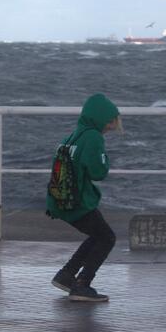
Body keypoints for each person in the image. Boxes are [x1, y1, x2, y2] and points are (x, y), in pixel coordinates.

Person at [47, 93, 121, 302]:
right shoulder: (93, 137)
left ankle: (66, 275)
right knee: (107, 238)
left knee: (97, 235)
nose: (112, 127)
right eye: (110, 121)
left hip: (60, 200)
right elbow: (98, 172)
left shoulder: (74, 135)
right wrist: (105, 159)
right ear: (101, 119)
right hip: (77, 202)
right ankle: (82, 284)